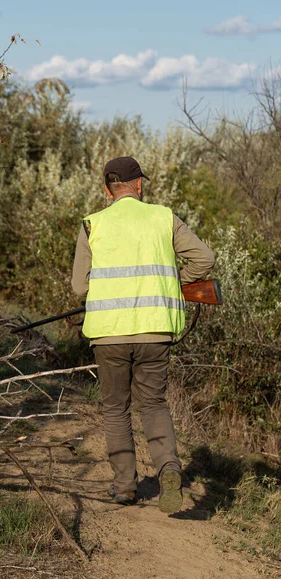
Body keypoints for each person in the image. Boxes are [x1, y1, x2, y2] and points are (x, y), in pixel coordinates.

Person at [71, 156, 215, 513]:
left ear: (108, 190)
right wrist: (172, 282)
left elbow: (78, 288)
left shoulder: (92, 225)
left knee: (116, 409)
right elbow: (205, 259)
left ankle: (124, 487)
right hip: (155, 332)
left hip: (108, 335)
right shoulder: (163, 217)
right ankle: (168, 467)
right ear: (139, 185)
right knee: (153, 404)